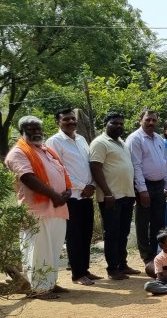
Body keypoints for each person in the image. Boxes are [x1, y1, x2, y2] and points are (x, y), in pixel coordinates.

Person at [4, 116, 71, 299]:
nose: (35, 132)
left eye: (37, 128)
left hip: (57, 207)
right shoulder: (18, 152)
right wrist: (55, 195)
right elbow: (28, 178)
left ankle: (49, 283)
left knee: (54, 248)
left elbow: (62, 172)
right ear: (21, 132)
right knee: (38, 249)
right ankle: (38, 288)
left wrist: (67, 191)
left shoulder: (45, 150)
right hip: (36, 210)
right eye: (30, 129)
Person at [45, 109, 100, 286]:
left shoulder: (81, 139)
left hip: (86, 195)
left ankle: (84, 270)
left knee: (86, 234)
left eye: (72, 119)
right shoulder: (54, 141)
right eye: (66, 119)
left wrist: (91, 185)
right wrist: (83, 186)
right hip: (71, 196)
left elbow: (88, 165)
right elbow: (60, 170)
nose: (70, 122)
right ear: (58, 122)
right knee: (74, 236)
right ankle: (77, 274)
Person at [89, 112, 140, 280]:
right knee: (111, 233)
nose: (119, 126)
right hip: (111, 197)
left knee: (123, 232)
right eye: (114, 123)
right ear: (106, 124)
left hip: (126, 195)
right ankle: (112, 269)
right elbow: (96, 168)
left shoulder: (122, 143)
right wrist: (107, 193)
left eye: (121, 123)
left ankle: (122, 264)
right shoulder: (100, 143)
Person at [126, 109, 167, 265]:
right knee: (143, 222)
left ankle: (156, 252)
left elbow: (164, 163)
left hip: (159, 185)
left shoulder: (158, 138)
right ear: (141, 120)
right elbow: (135, 166)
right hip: (143, 185)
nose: (151, 122)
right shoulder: (135, 139)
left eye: (154, 120)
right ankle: (147, 256)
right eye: (148, 120)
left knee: (158, 221)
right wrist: (142, 190)